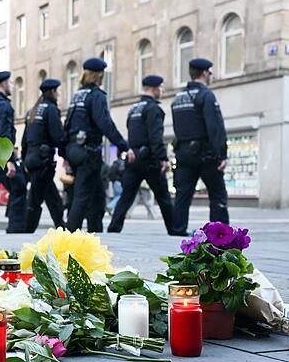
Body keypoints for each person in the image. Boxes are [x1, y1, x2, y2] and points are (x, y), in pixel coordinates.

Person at [63, 58, 133, 232]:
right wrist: (124, 145)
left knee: (98, 197)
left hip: (75, 149)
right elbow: (105, 124)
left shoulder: (77, 96)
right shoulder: (96, 96)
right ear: (98, 76)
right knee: (82, 197)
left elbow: (67, 125)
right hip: (89, 152)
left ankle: (95, 234)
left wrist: (65, 153)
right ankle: (69, 238)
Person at [107, 75, 175, 233]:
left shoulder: (134, 108)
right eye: (161, 87)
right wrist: (163, 158)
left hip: (134, 158)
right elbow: (155, 136)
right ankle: (175, 229)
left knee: (126, 196)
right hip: (149, 159)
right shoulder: (153, 108)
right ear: (154, 88)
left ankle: (114, 228)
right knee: (163, 196)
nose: (163, 90)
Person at [170, 59, 229, 235]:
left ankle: (178, 230)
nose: (211, 76)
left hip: (183, 154)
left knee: (182, 195)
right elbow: (215, 126)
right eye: (210, 73)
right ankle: (220, 233)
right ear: (204, 73)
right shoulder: (206, 96)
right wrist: (222, 154)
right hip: (206, 154)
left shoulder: (178, 98)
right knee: (217, 194)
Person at [21, 78, 65, 232]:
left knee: (51, 196)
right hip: (43, 160)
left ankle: (62, 228)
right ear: (52, 91)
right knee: (36, 199)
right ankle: (27, 231)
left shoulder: (33, 110)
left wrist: (24, 159)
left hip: (32, 159)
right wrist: (66, 150)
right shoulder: (51, 109)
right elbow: (57, 135)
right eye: (58, 90)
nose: (59, 94)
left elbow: (24, 140)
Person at [0, 71, 27, 233]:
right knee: (18, 185)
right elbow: (3, 134)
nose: (12, 85)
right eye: (10, 82)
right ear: (3, 84)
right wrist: (9, 159)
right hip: (0, 156)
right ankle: (15, 229)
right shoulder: (4, 106)